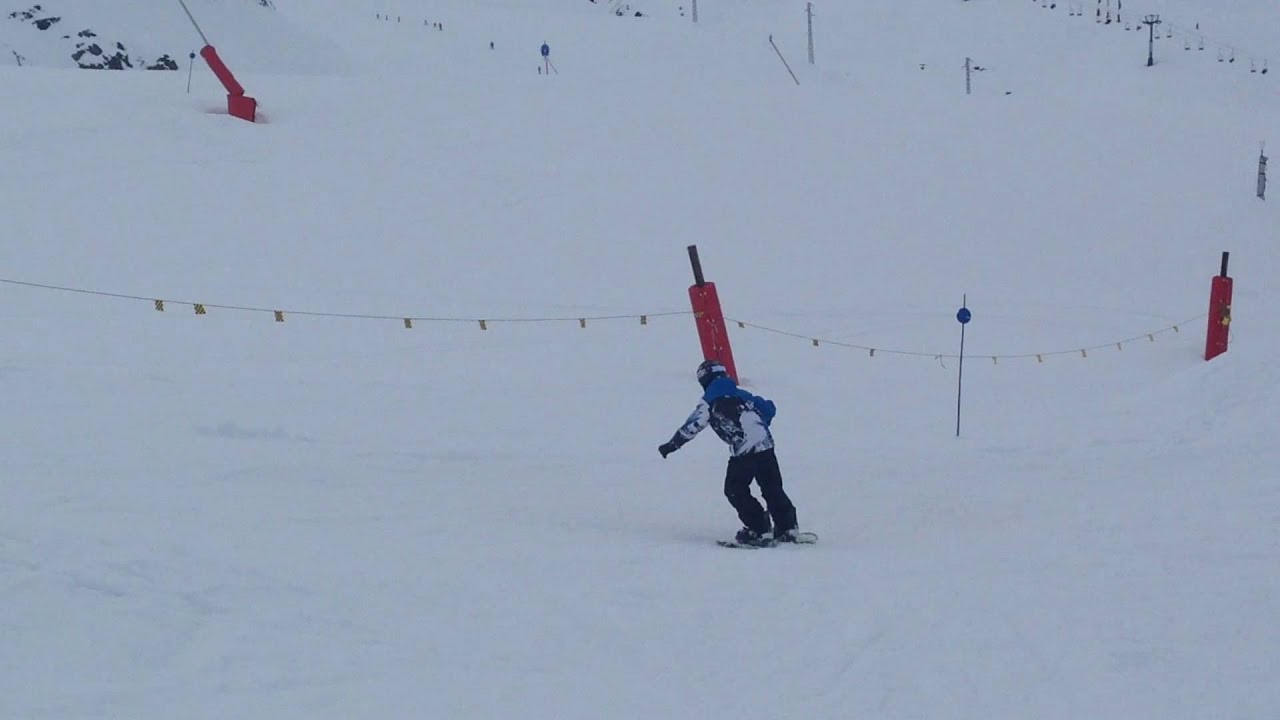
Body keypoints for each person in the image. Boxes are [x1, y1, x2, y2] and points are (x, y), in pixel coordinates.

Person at [658, 360, 800, 546]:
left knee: (735, 489)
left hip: (743, 450)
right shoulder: (743, 394)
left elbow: (693, 425)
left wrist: (672, 445)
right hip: (766, 446)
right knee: (772, 487)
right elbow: (769, 407)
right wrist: (760, 424)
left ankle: (758, 528)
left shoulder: (710, 399)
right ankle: (787, 527)